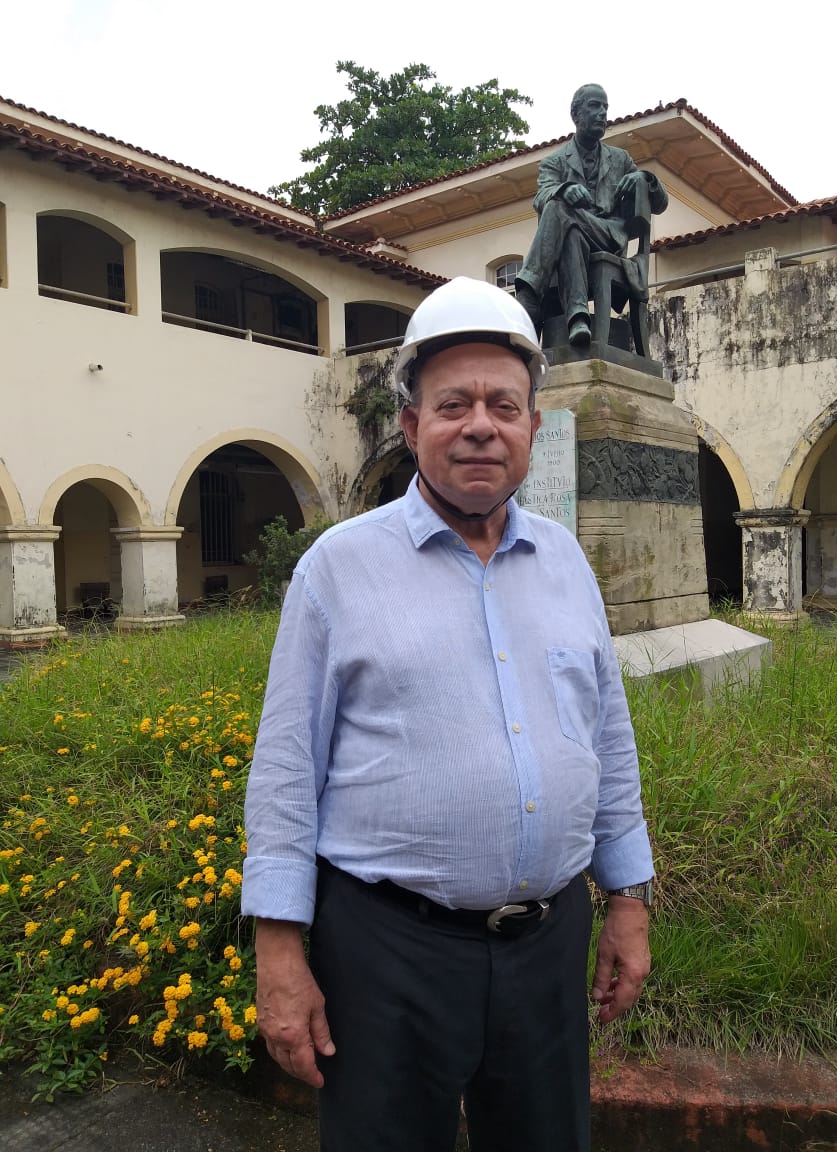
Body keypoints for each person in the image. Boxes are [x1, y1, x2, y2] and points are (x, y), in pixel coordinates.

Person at [242, 276, 655, 1152]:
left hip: (548, 947)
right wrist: (279, 953)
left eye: (503, 406)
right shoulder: (337, 569)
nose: (479, 426)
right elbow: (285, 771)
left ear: (532, 426)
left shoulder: (567, 563)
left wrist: (627, 899)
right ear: (411, 424)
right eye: (453, 404)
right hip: (388, 953)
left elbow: (607, 739)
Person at [515, 83, 668, 347]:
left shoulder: (620, 159)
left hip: (609, 236)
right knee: (569, 230)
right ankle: (578, 318)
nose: (602, 113)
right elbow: (541, 198)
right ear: (576, 114)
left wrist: (644, 178)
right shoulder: (555, 161)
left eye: (605, 107)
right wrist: (565, 189)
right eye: (595, 106)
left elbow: (661, 204)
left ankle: (529, 294)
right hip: (576, 236)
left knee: (559, 208)